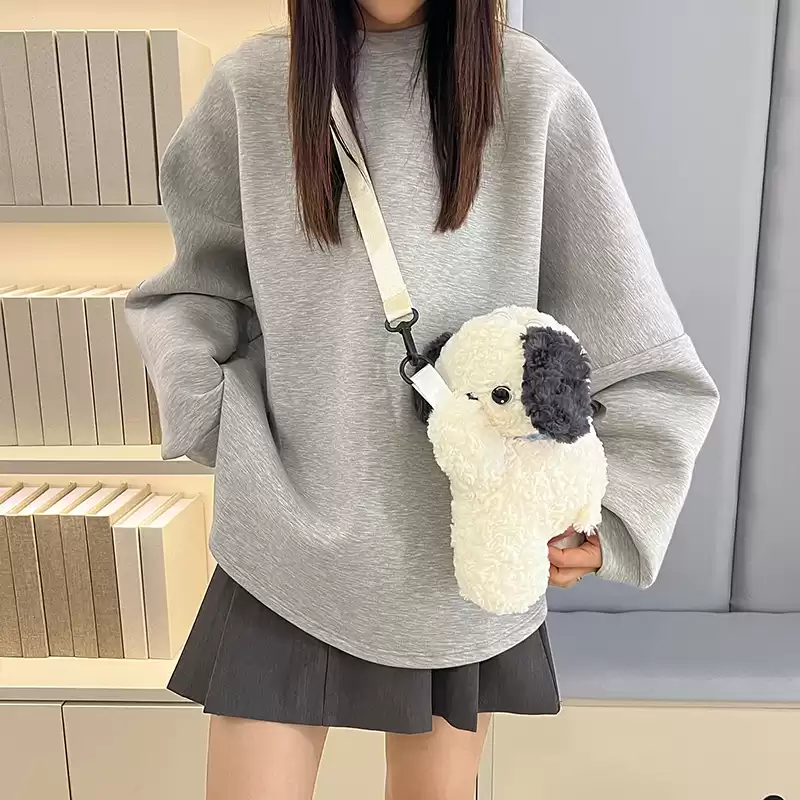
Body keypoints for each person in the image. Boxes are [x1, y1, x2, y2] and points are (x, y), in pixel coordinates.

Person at [126, 0, 719, 797]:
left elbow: (636, 339)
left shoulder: (528, 88)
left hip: (461, 555)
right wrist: (212, 417)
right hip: (284, 539)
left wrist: (611, 514)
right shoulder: (253, 86)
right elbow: (195, 289)